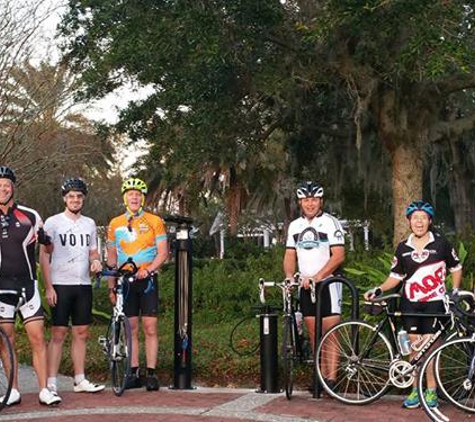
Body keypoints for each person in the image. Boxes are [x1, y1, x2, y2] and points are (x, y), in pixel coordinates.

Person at [364, 200, 462, 409]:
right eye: (415, 218)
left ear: (430, 221)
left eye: (423, 218)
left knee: (431, 347)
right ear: (409, 221)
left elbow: (456, 267)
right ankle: (415, 389)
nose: (419, 222)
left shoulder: (441, 243)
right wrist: (379, 289)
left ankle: (432, 390)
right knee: (415, 348)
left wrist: (454, 291)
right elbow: (395, 277)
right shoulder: (403, 247)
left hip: (435, 302)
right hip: (410, 303)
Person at [0, 166, 61, 406]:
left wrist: (47, 242)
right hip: (1, 288)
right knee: (6, 341)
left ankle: (44, 390)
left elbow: (48, 248)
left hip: (28, 287)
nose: (2, 188)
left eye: (6, 184)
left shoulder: (30, 215)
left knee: (38, 339)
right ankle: (13, 390)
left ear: (13, 187)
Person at [39, 178, 105, 395]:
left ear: (83, 199)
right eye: (71, 196)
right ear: (64, 199)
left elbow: (93, 250)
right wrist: (49, 287)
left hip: (83, 284)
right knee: (58, 333)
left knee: (82, 332)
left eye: (78, 197)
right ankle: (51, 382)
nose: (75, 200)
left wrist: (96, 260)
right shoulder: (52, 222)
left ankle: (80, 379)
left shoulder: (90, 223)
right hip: (60, 283)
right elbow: (44, 256)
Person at [106, 177, 168, 391]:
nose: (134, 196)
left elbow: (163, 253)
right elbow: (112, 257)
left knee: (150, 327)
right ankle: (133, 372)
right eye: (130, 193)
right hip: (126, 281)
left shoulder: (154, 220)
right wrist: (111, 285)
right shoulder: (115, 223)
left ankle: (151, 373)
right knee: (130, 327)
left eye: (138, 194)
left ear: (142, 198)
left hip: (147, 280)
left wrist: (148, 270)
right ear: (125, 198)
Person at [283, 181, 345, 391]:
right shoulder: (295, 226)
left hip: (328, 283)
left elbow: (338, 256)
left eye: (314, 200)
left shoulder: (330, 222)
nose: (310, 204)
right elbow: (290, 255)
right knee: (313, 333)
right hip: (306, 285)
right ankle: (319, 378)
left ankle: (331, 379)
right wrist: (290, 276)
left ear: (321, 201)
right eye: (306, 200)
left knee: (331, 332)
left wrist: (319, 276)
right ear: (301, 202)